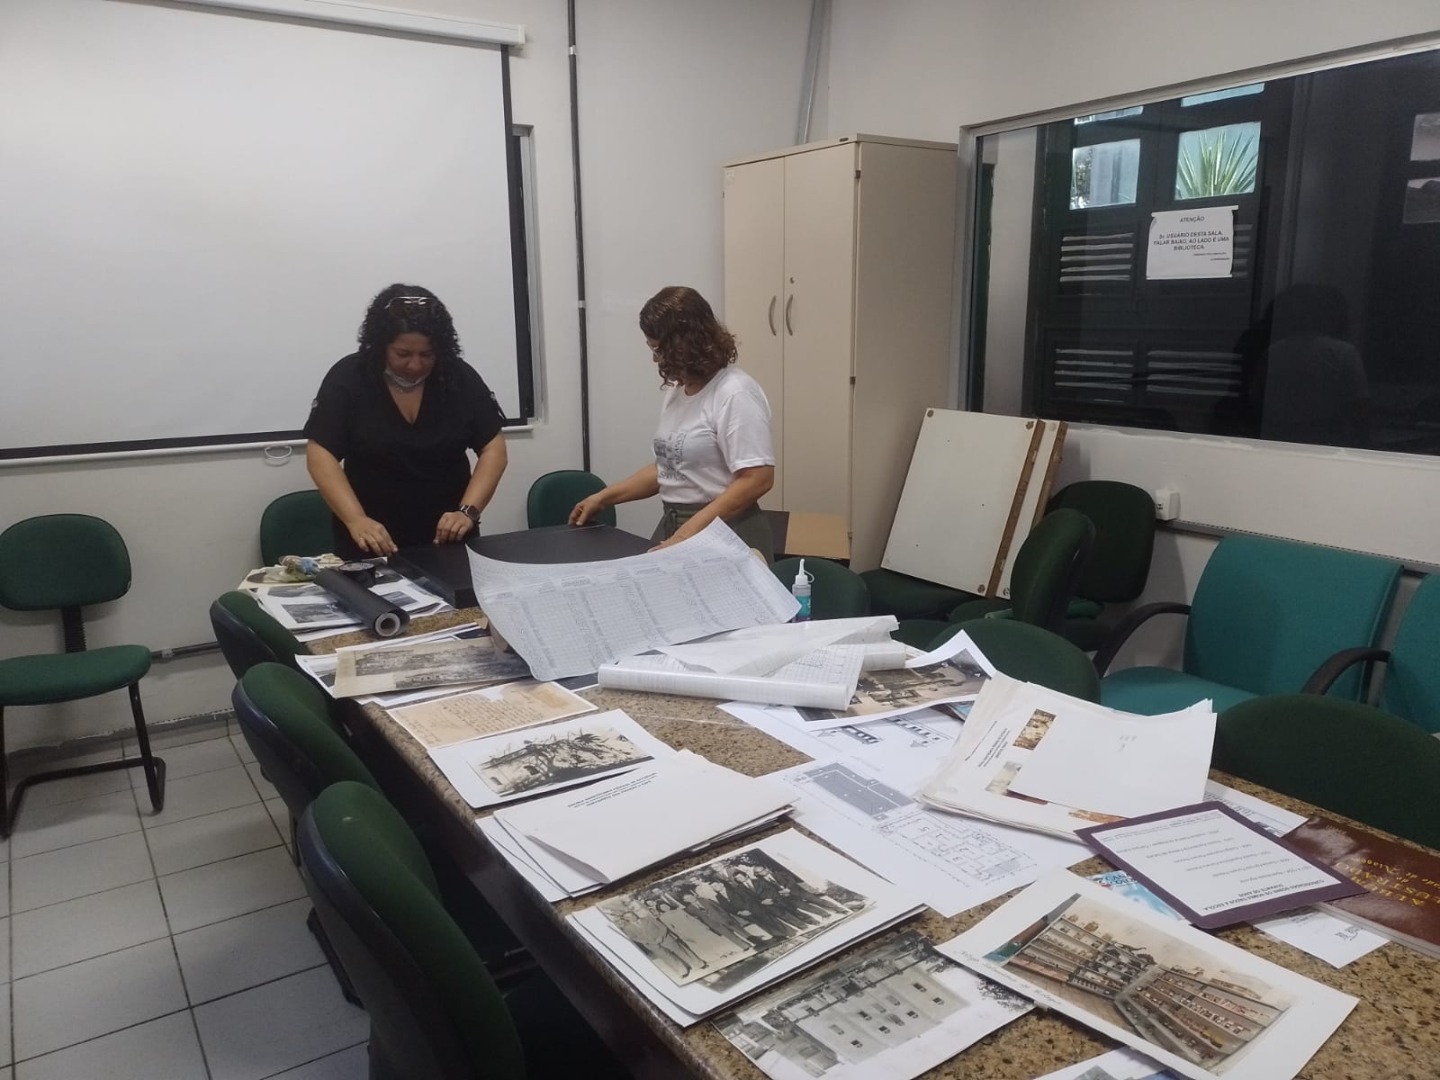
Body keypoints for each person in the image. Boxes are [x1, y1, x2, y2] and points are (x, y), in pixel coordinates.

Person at [568, 286, 775, 560]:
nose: (656, 359)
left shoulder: (734, 392)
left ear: (687, 342)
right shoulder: (677, 392)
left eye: (658, 348)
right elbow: (667, 468)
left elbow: (757, 479)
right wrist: (604, 498)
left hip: (728, 529)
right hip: (677, 523)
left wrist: (685, 535)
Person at [305, 284, 508, 558]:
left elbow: (493, 449)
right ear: (380, 346)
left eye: (427, 355)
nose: (415, 365)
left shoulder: (458, 377)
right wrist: (355, 519)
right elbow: (321, 453)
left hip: (448, 538)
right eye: (403, 354)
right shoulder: (349, 378)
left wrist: (468, 512)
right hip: (372, 540)